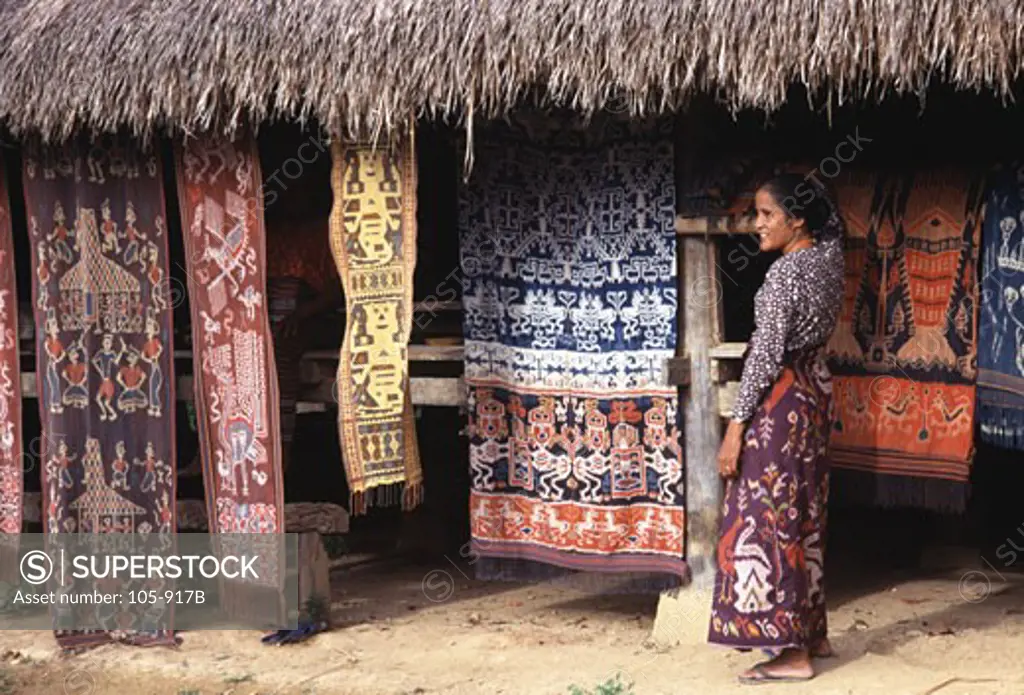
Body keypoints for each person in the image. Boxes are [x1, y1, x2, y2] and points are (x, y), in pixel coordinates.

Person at [707, 173, 846, 684]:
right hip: (813, 397)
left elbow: (764, 356)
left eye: (767, 215)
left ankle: (791, 651)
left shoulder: (785, 275)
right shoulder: (829, 260)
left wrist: (736, 428)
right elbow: (835, 223)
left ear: (797, 220)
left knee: (766, 516)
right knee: (805, 509)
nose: (756, 225)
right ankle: (814, 632)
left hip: (782, 401)